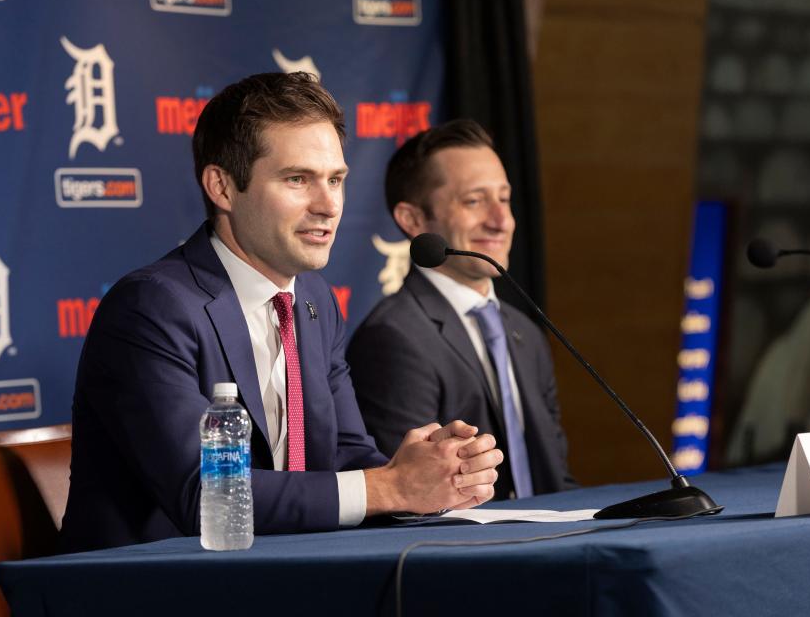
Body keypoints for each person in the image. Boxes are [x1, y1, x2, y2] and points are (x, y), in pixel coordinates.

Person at [58, 74, 502, 553]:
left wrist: (432, 475)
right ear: (223, 188)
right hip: (138, 588)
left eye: (336, 180)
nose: (329, 205)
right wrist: (391, 487)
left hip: (272, 576)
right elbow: (203, 494)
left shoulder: (314, 300)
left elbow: (346, 456)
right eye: (298, 180)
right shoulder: (152, 307)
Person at [347, 119, 575, 500]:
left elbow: (555, 476)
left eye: (504, 198)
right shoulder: (394, 337)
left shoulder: (525, 334)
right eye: (474, 201)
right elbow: (410, 500)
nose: (501, 220)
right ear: (414, 220)